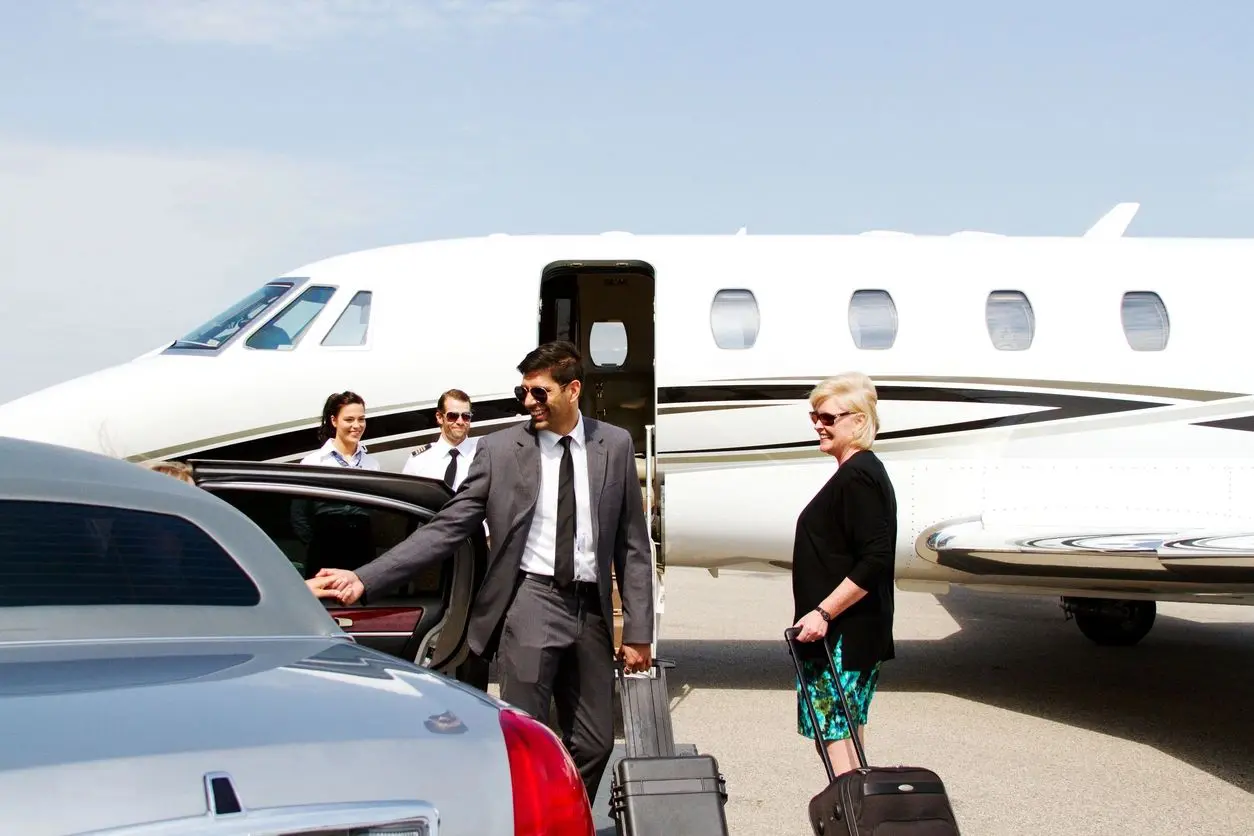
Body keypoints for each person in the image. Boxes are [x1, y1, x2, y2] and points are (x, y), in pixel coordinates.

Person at [318, 341, 655, 804]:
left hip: (591, 612)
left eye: (539, 393)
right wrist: (366, 577)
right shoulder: (499, 451)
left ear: (573, 390)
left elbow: (633, 544)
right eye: (523, 393)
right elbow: (447, 527)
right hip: (533, 602)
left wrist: (638, 630)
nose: (529, 403)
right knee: (526, 742)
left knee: (596, 743)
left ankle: (556, 817)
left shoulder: (613, 445)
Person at [789, 371, 897, 777]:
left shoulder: (859, 476)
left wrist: (824, 613)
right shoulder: (858, 473)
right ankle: (859, 818)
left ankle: (853, 818)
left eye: (829, 417)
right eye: (814, 416)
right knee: (844, 732)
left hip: (841, 636)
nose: (819, 423)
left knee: (835, 733)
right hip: (843, 634)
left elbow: (875, 559)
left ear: (859, 421)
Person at [141, 460, 341, 600]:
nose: (196, 515)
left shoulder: (180, 569)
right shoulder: (148, 586)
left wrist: (297, 592)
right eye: (188, 504)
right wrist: (296, 594)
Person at [291, 391, 382, 578]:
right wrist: (317, 544)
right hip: (324, 553)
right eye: (349, 420)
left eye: (361, 419)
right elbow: (299, 515)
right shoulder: (314, 462)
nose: (356, 426)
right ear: (334, 421)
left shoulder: (372, 464)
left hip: (362, 553)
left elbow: (375, 513)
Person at [402, 388, 479, 490]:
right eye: (453, 416)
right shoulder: (419, 461)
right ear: (439, 417)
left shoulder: (483, 457)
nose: (460, 422)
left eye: (466, 416)